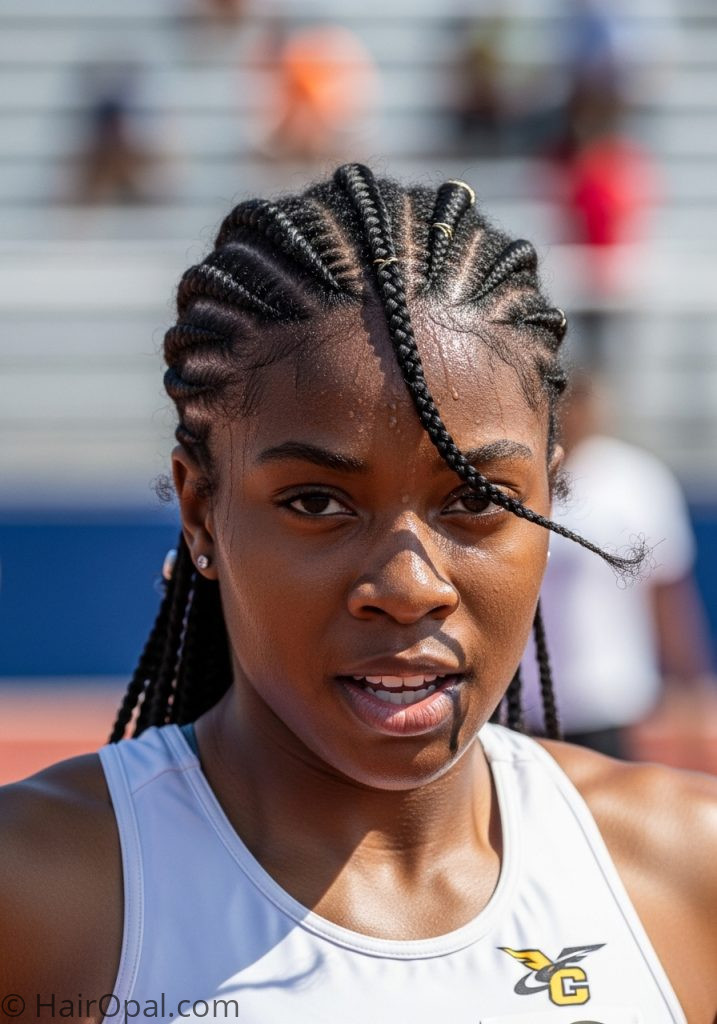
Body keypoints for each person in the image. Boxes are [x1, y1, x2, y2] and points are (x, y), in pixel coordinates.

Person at [1, 165, 715, 1022]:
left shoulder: (684, 869)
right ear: (200, 511)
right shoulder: (36, 894)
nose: (408, 588)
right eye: (316, 503)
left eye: (477, 500)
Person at [521, 369, 715, 759]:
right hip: (520, 704)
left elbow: (668, 594)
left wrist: (692, 687)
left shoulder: (635, 480)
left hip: (611, 702)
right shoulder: (515, 474)